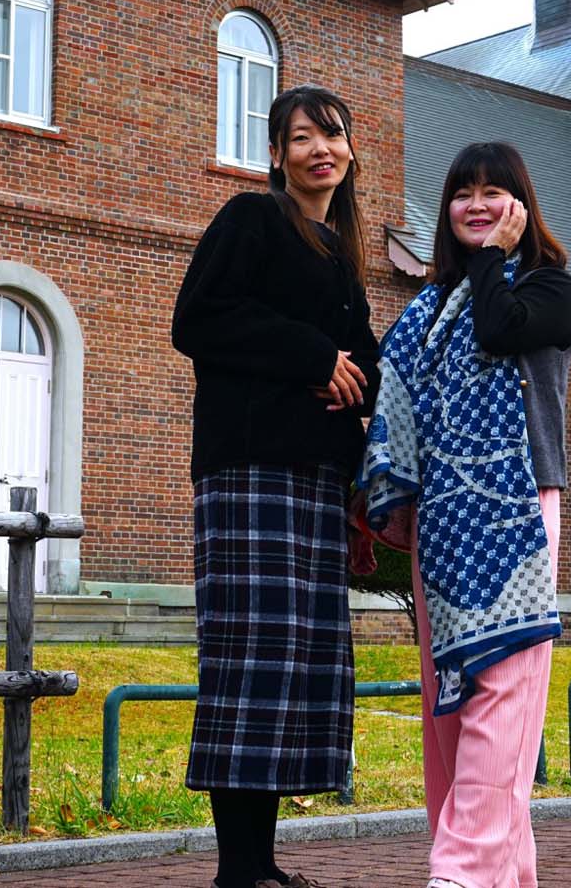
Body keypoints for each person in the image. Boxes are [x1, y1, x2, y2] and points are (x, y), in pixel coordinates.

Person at [172, 85, 380, 888]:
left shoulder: (341, 260)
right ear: (275, 154)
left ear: (351, 149)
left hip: (319, 480)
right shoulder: (251, 220)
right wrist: (312, 357)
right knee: (251, 659)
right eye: (301, 138)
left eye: (332, 135)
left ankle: (260, 865)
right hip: (251, 471)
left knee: (296, 665)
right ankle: (238, 870)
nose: (320, 150)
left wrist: (355, 388)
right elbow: (198, 319)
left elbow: (366, 360)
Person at [362, 141, 571, 888]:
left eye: (494, 192)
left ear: (521, 205)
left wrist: (492, 259)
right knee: (447, 702)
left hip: (519, 508)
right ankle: (502, 875)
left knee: (501, 690)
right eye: (463, 193)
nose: (477, 205)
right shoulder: (425, 313)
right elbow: (389, 389)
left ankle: (459, 872)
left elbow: (499, 327)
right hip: (442, 516)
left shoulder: (553, 289)